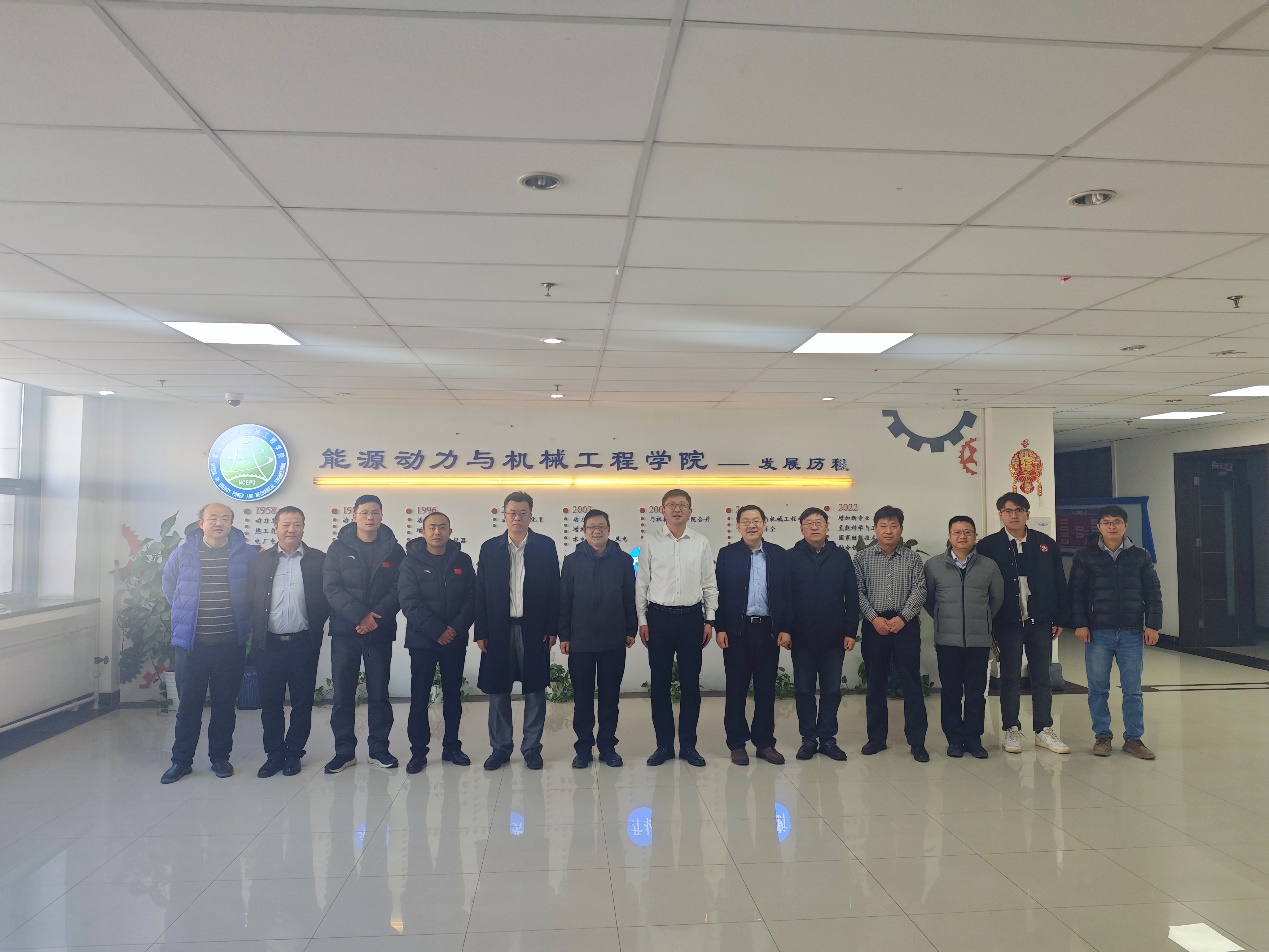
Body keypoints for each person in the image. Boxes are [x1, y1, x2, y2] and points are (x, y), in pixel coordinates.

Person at [160, 502, 256, 783]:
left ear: (231, 524)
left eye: (225, 518)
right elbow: (169, 587)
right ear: (201, 523)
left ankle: (220, 758)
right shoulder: (183, 553)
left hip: (230, 644)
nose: (219, 523)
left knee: (224, 706)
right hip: (192, 646)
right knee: (188, 706)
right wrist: (187, 614)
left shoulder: (246, 554)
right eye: (213, 518)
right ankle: (181, 761)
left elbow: (255, 588)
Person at [976, 492, 1070, 755]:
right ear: (1000, 515)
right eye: (1008, 511)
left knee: (1041, 676)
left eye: (1019, 510)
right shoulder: (988, 546)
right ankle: (1011, 728)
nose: (1014, 515)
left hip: (1040, 620)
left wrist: (1060, 617)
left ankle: (1043, 729)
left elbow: (1059, 582)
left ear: (1027, 513)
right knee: (1009, 677)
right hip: (1007, 622)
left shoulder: (1045, 544)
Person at [1068, 505, 1163, 760]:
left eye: (1117, 522)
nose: (1112, 526)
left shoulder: (1140, 556)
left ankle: (1134, 738)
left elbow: (1153, 593)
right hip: (1098, 632)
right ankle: (1102, 736)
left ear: (1125, 526)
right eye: (1107, 522)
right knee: (1098, 688)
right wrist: (1080, 623)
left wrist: (1153, 625)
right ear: (1098, 526)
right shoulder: (1085, 556)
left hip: (1132, 632)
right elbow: (1075, 592)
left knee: (1133, 690)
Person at [475, 491, 560, 771]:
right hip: (498, 629)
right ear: (504, 515)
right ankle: (500, 748)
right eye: (512, 512)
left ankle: (532, 748)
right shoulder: (490, 548)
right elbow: (480, 592)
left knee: (535, 689)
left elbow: (554, 589)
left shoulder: (545, 546)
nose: (517, 518)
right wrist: (481, 630)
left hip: (534, 628)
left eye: (523, 513)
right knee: (498, 689)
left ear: (531, 515)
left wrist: (552, 627)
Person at [635, 489, 718, 768]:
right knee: (659, 684)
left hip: (692, 618)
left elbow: (709, 583)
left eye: (682, 505)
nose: (677, 509)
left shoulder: (701, 542)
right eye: (671, 505)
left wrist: (709, 620)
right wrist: (643, 620)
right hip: (658, 618)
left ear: (690, 510)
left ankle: (689, 746)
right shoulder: (651, 541)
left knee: (690, 685)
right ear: (663, 510)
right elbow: (642, 583)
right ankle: (664, 746)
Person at [322, 494, 405, 773]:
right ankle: (344, 751)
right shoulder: (338, 548)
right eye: (365, 512)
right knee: (343, 694)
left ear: (381, 515)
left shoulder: (394, 549)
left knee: (379, 693)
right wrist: (360, 615)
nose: (370, 517)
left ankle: (379, 748)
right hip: (346, 631)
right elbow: (331, 587)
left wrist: (374, 617)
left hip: (379, 630)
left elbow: (399, 588)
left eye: (375, 512)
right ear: (354, 515)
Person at [249, 506, 330, 778]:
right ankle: (274, 754)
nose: (291, 529)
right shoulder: (260, 561)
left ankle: (294, 753)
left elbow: (328, 596)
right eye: (285, 525)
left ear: (304, 527)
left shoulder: (318, 559)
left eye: (296, 524)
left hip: (303, 643)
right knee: (270, 702)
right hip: (268, 644)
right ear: (275, 528)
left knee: (302, 701)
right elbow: (249, 597)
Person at [559, 509, 637, 768]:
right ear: (584, 531)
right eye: (591, 527)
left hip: (613, 640)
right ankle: (583, 749)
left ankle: (607, 747)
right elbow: (564, 601)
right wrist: (564, 635)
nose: (597, 531)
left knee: (609, 699)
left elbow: (629, 597)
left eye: (601, 526)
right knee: (582, 700)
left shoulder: (623, 561)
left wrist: (630, 629)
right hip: (580, 642)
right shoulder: (571, 561)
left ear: (609, 529)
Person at [715, 505, 792, 766]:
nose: (751, 525)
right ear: (737, 526)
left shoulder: (779, 555)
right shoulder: (727, 555)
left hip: (768, 630)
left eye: (756, 520)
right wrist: (720, 627)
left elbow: (787, 594)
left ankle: (765, 743)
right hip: (737, 630)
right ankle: (736, 744)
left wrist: (785, 627)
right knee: (736, 688)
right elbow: (718, 593)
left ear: (764, 524)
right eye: (746, 521)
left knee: (766, 688)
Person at [398, 511, 475, 773]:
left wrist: (454, 629)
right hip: (422, 641)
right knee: (420, 698)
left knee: (453, 696)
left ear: (450, 531)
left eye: (442, 527)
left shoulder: (462, 560)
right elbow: (409, 601)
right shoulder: (410, 562)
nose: (437, 532)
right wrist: (437, 631)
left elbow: (472, 598)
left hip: (454, 640)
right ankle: (418, 752)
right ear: (423, 532)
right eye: (431, 527)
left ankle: (452, 747)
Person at [925, 516, 1004, 759]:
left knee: (975, 692)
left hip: (978, 641)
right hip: (947, 641)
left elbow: (996, 599)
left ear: (975, 536)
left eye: (967, 532)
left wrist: (981, 619)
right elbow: (928, 600)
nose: (962, 536)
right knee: (950, 691)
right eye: (957, 532)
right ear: (949, 536)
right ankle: (954, 739)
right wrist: (943, 618)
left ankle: (973, 738)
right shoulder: (934, 565)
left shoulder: (989, 566)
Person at [855, 506, 929, 762]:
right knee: (875, 684)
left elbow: (920, 590)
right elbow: (857, 592)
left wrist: (903, 617)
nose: (888, 531)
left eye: (893, 526)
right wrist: (873, 618)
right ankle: (876, 739)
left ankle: (917, 742)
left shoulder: (912, 559)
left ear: (901, 529)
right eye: (883, 526)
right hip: (874, 626)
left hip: (904, 625)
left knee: (911, 683)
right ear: (874, 528)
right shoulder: (862, 559)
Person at [788, 506, 859, 761]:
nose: (814, 526)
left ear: (827, 527)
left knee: (831, 690)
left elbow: (852, 596)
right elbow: (785, 597)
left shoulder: (841, 557)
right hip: (801, 637)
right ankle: (808, 739)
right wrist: (786, 629)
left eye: (819, 522)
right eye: (809, 523)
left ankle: (828, 739)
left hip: (834, 637)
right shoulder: (791, 557)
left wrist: (850, 630)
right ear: (801, 529)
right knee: (804, 690)